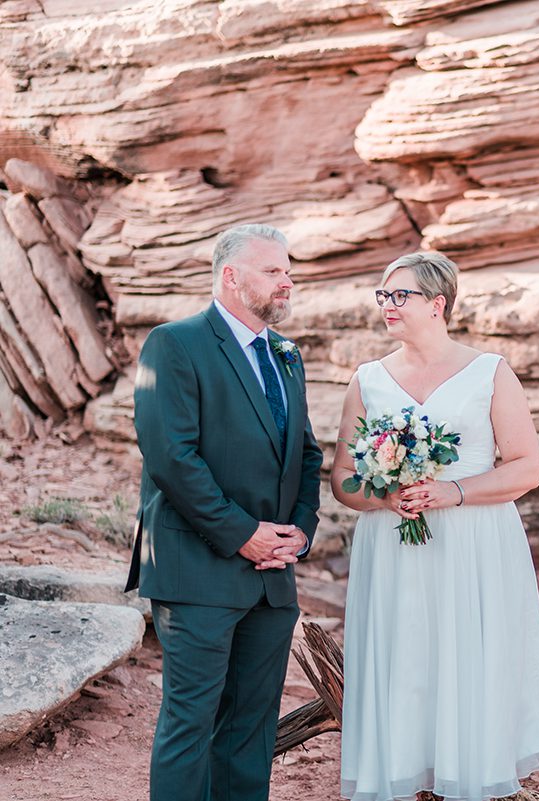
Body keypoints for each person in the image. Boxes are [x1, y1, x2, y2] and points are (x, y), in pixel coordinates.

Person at [333, 251, 539, 801]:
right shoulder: (367, 380)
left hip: (475, 541)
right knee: (405, 656)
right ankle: (402, 775)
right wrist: (385, 493)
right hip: (394, 544)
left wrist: (453, 491)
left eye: (401, 296)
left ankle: (472, 777)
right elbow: (343, 480)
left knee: (469, 655)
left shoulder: (490, 371)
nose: (388, 306)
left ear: (438, 304)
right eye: (383, 296)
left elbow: (526, 467)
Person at [127, 223, 324, 801]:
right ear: (231, 277)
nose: (286, 281)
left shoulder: (286, 356)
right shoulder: (173, 344)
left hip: (271, 576)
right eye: (273, 271)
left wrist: (299, 534)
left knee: (251, 728)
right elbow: (171, 456)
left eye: (288, 271)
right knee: (190, 723)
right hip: (197, 567)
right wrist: (243, 535)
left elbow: (306, 454)